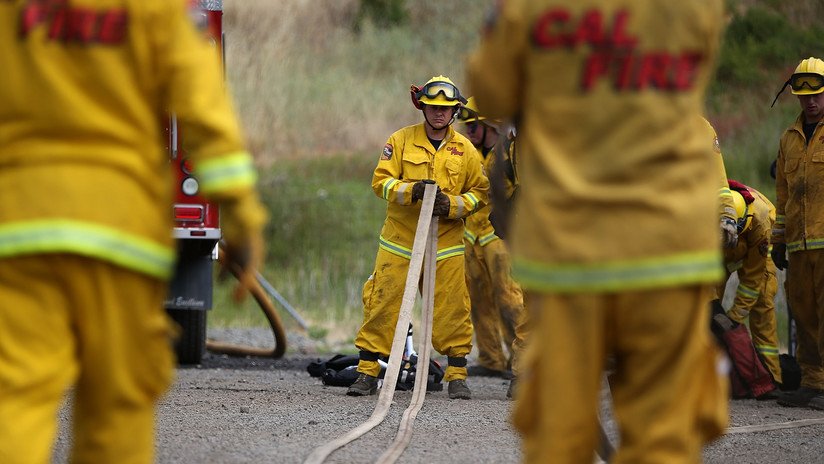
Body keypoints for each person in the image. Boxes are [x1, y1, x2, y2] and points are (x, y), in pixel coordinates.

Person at [0, 2, 266, 463]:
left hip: (20, 225)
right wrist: (240, 215)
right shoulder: (155, 8)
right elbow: (203, 109)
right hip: (120, 232)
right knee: (116, 405)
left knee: (16, 395)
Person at [467, 1, 729, 462]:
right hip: (668, 252)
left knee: (561, 425)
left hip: (575, 253)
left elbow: (489, 92)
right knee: (663, 428)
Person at [347, 76, 489, 400]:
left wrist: (451, 205)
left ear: (454, 111)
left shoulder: (465, 150)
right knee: (383, 302)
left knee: (452, 307)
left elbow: (480, 193)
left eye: (445, 109)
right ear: (422, 106)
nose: (438, 114)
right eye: (433, 107)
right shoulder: (400, 141)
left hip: (447, 243)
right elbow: (379, 182)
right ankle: (367, 372)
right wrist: (411, 191)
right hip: (400, 240)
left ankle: (457, 376)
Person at [458, 97, 529, 397]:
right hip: (472, 235)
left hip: (499, 237)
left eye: (476, 126)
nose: (471, 132)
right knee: (478, 299)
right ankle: (491, 359)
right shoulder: (467, 152)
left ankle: (520, 362)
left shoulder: (511, 151)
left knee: (510, 299)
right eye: (470, 127)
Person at [772, 57, 824, 409]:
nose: (811, 102)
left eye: (818, 95)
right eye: (804, 96)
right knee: (803, 314)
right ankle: (812, 382)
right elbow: (783, 196)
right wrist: (778, 240)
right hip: (799, 245)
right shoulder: (789, 140)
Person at [717, 181, 782, 386]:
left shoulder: (759, 223)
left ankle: (770, 377)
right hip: (721, 254)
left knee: (762, 300)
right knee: (708, 311)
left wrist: (734, 318)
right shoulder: (714, 211)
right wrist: (713, 311)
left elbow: (752, 280)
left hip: (758, 248)